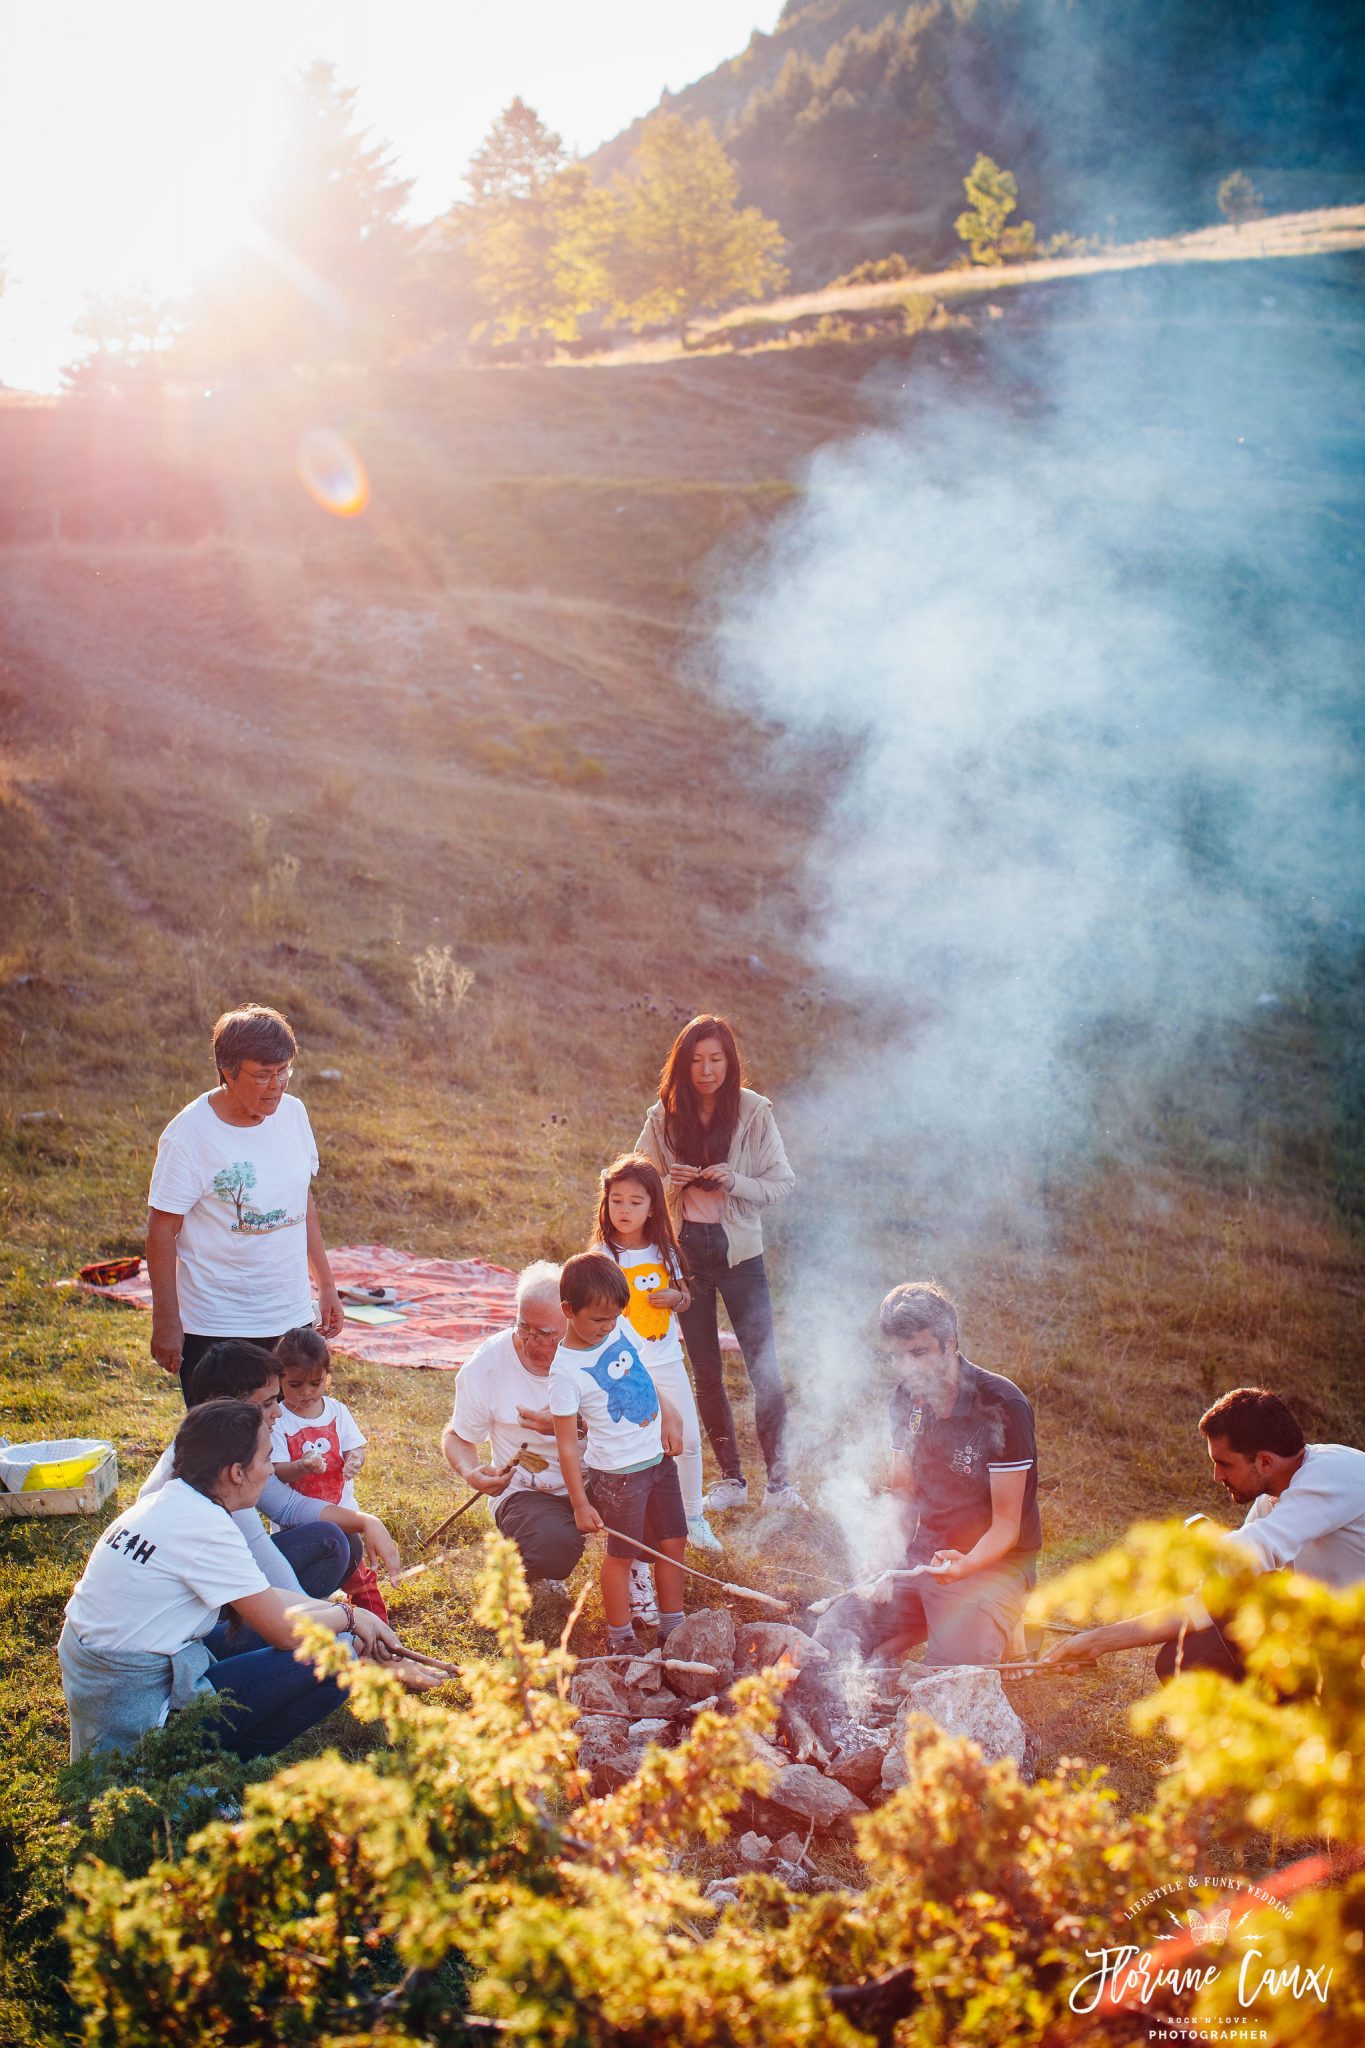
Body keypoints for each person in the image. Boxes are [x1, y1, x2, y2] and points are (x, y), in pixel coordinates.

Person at [59, 1399, 435, 1761]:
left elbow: (263, 1596)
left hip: (111, 1684)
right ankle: (212, 1766)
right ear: (236, 1473)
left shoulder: (173, 1500)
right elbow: (282, 1631)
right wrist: (352, 1620)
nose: (271, 1471)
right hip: (138, 1705)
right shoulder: (207, 1526)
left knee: (332, 1632)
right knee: (337, 1655)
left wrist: (352, 1618)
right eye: (266, 1459)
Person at [1043, 1387, 1365, 1681]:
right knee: (1185, 1658)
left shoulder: (1335, 1473)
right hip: (1329, 1643)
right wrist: (1097, 1641)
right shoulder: (1273, 1502)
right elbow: (1213, 1601)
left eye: (1224, 1464)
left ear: (1265, 1461)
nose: (1216, 1476)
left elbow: (1247, 1553)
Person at [814, 1283, 1041, 1667]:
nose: (907, 1368)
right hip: (924, 1558)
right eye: (897, 1356)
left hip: (992, 1565)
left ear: (949, 1342)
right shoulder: (906, 1398)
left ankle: (1005, 1620)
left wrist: (966, 1565)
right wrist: (884, 1553)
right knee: (834, 1632)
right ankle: (929, 1623)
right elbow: (902, 1493)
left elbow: (1007, 1526)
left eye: (918, 1353)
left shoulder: (1003, 1405)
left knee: (951, 1672)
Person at [635, 1013, 802, 1514]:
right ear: (681, 1066)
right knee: (705, 1372)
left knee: (764, 1370)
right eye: (696, 1060)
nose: (706, 1070)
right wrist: (674, 1182)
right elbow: (636, 1183)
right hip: (685, 1256)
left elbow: (781, 1183)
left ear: (730, 1064)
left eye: (716, 1060)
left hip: (741, 1255)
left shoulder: (754, 1112)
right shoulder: (662, 1116)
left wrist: (734, 1181)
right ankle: (731, 1479)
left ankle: (781, 1484)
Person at [145, 1003, 344, 1406]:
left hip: (288, 1314)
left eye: (284, 1071)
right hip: (219, 1323)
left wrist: (325, 1285)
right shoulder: (191, 1134)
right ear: (227, 1071)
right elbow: (161, 1230)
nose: (277, 1085)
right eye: (262, 1075)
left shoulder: (293, 1114)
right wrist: (167, 1320)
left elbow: (300, 1200)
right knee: (228, 1447)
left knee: (291, 1441)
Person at [138, 1339, 403, 1603]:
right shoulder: (218, 1466)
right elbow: (256, 1548)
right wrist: (332, 1622)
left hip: (212, 1577)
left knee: (334, 1537)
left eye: (275, 1400)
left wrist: (366, 1521)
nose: (278, 1412)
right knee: (316, 1618)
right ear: (229, 1406)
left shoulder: (224, 1441)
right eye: (266, 1404)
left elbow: (287, 1505)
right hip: (181, 1602)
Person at [591, 1151, 723, 1616]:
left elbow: (685, 1296)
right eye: (616, 1201)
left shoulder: (665, 1249)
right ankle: (639, 1549)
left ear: (652, 1208)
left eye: (635, 1202)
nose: (624, 1210)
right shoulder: (603, 1256)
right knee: (643, 1452)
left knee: (684, 1440)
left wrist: (676, 1297)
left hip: (665, 1357)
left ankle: (692, 1515)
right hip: (626, 1367)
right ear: (606, 1206)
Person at [549, 1252, 687, 1656]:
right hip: (619, 1475)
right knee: (622, 1555)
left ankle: (672, 1624)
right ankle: (620, 1634)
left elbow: (642, 1374)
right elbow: (566, 1444)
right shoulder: (566, 1372)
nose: (606, 1328)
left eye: (612, 1319)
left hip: (658, 1461)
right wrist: (579, 1502)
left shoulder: (618, 1328)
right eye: (597, 1320)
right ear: (568, 1311)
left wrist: (669, 1414)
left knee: (673, 1540)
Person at [440, 1261, 584, 1597]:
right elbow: (458, 1436)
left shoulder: (594, 1351)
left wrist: (569, 1424)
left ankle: (635, 1576)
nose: (532, 1341)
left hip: (595, 1476)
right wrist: (471, 1470)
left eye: (546, 1334)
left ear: (572, 1320)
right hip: (527, 1489)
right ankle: (529, 1561)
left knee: (650, 1490)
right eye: (524, 1327)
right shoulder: (487, 1364)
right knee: (556, 1547)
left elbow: (632, 1417)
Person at [268, 1326, 387, 1619]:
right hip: (298, 1526)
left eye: (315, 1383)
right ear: (279, 1380)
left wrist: (355, 1460)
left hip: (342, 1510)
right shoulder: (279, 1419)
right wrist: (302, 1467)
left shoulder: (336, 1410)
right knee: (307, 1581)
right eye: (295, 1385)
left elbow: (355, 1447)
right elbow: (278, 1473)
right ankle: (322, 1615)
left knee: (361, 1579)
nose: (306, 1392)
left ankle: (380, 1630)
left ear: (327, 1377)